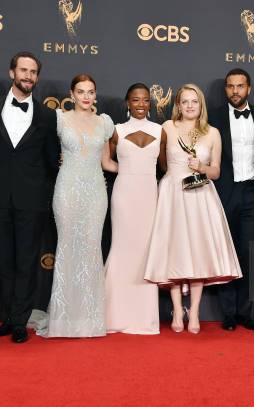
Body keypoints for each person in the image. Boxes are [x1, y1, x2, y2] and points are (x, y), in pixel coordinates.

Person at [144, 84, 242, 334]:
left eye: (194, 101)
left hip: (201, 195)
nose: (189, 106)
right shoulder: (167, 127)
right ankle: (177, 310)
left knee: (198, 252)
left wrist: (202, 167)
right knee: (174, 250)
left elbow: (216, 172)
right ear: (178, 104)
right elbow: (161, 163)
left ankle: (195, 311)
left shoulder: (212, 133)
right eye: (184, 101)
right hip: (172, 194)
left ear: (201, 105)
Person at [0, 52, 60, 343]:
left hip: (32, 199)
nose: (28, 76)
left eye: (33, 72)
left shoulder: (48, 115)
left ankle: (19, 323)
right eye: (23, 70)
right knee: (3, 259)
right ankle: (8, 317)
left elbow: (52, 160)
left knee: (26, 260)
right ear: (12, 72)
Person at [33, 74, 116, 338]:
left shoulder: (104, 123)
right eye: (81, 91)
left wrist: (140, 172)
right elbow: (43, 150)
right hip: (67, 190)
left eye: (91, 91)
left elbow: (107, 162)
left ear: (95, 95)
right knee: (67, 247)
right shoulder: (58, 118)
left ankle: (90, 319)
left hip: (95, 192)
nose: (86, 96)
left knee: (91, 250)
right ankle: (63, 319)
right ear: (71, 94)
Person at [208, 68, 254, 331]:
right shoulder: (214, 117)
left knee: (248, 252)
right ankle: (229, 314)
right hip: (225, 190)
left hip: (253, 192)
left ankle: (246, 312)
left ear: (249, 89)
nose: (235, 91)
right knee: (226, 252)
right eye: (230, 86)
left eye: (240, 86)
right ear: (226, 90)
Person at [104, 83, 164, 335]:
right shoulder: (116, 130)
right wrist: (128, 171)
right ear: (127, 103)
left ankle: (143, 317)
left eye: (145, 100)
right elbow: (106, 162)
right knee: (122, 248)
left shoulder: (162, 131)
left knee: (145, 251)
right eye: (135, 100)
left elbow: (165, 167)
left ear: (150, 103)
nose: (141, 104)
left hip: (150, 195)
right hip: (124, 195)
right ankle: (113, 315)